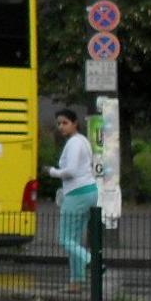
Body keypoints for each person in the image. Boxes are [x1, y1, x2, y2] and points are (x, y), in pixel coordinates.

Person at [46, 108, 97, 288]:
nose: (61, 127)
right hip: (90, 191)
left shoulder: (74, 143)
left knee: (65, 238)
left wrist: (52, 172)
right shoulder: (83, 141)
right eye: (59, 123)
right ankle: (76, 281)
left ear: (75, 123)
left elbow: (71, 171)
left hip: (76, 193)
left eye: (65, 123)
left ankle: (92, 262)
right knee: (74, 240)